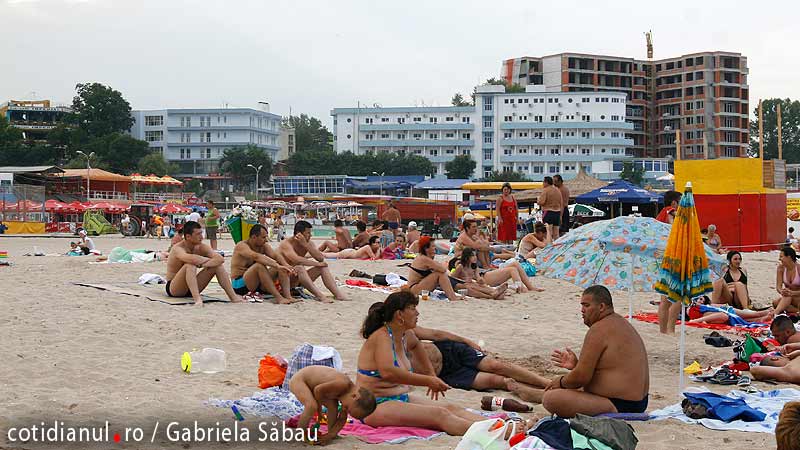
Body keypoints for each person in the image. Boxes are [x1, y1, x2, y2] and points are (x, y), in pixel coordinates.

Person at [356, 292, 488, 435]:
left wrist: (431, 374)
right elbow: (388, 373)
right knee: (440, 415)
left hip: (399, 398)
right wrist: (428, 381)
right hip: (373, 405)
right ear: (399, 315)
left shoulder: (406, 335)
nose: (417, 313)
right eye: (412, 308)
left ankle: (498, 426)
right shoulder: (382, 338)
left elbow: (418, 347)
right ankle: (498, 433)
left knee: (452, 408)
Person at [539, 285, 649, 417]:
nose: (582, 310)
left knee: (551, 398)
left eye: (586, 305)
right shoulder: (619, 323)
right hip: (639, 402)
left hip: (620, 404)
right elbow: (609, 368)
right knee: (559, 391)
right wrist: (576, 365)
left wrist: (561, 381)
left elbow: (580, 378)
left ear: (601, 307)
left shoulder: (599, 329)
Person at [411, 326, 550, 393]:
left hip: (450, 351)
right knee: (494, 381)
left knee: (495, 365)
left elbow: (436, 334)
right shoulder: (390, 344)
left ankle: (545, 383)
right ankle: (525, 390)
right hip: (446, 375)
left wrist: (467, 341)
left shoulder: (408, 330)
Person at [289, 366, 377, 445]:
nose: (344, 409)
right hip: (300, 380)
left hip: (314, 387)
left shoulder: (347, 397)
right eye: (347, 408)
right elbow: (318, 390)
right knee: (312, 406)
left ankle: (330, 433)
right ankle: (300, 433)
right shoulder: (342, 384)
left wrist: (331, 435)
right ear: (354, 396)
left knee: (333, 407)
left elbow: (342, 419)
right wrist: (319, 409)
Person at [165, 221, 242, 306]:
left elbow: (220, 259)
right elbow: (191, 259)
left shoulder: (201, 247)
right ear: (188, 236)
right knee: (189, 265)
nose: (201, 237)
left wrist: (203, 264)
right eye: (198, 234)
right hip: (175, 288)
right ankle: (197, 299)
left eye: (201, 233)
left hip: (191, 287)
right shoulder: (178, 248)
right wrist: (206, 260)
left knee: (217, 266)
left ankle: (233, 297)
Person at [278, 220, 346, 302]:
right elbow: (296, 260)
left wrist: (306, 245)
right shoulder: (286, 244)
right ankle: (320, 296)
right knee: (300, 267)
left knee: (322, 268)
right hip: (284, 280)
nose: (310, 235)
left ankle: (338, 295)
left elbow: (320, 258)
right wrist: (317, 264)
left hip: (297, 279)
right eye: (308, 233)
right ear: (299, 233)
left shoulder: (308, 243)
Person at [230, 224, 298, 304]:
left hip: (256, 284)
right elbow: (256, 257)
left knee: (282, 268)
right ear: (254, 237)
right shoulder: (241, 246)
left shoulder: (263, 246)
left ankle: (288, 296)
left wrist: (285, 265)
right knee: (259, 265)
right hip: (239, 285)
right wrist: (277, 265)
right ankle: (279, 298)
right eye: (263, 237)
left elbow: (275, 256)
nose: (266, 240)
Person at [406, 236, 462, 301]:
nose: (435, 248)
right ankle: (452, 297)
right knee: (440, 274)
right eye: (433, 246)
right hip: (414, 289)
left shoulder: (424, 257)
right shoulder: (424, 259)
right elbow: (443, 269)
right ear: (426, 248)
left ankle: (452, 296)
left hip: (417, 286)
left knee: (439, 274)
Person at [775, 246, 800, 315]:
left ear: (789, 257)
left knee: (782, 302)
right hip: (788, 297)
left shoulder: (798, 269)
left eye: (781, 256)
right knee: (775, 303)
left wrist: (792, 293)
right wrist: (782, 291)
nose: (779, 259)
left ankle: (775, 313)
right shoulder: (781, 268)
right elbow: (778, 286)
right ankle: (796, 311)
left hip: (798, 297)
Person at [537, 176, 563, 242]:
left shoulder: (545, 190)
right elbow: (561, 202)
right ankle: (557, 248)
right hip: (557, 212)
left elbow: (542, 202)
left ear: (546, 182)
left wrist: (538, 200)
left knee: (548, 233)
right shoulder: (557, 190)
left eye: (543, 182)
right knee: (556, 234)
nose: (542, 184)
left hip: (548, 212)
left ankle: (548, 249)